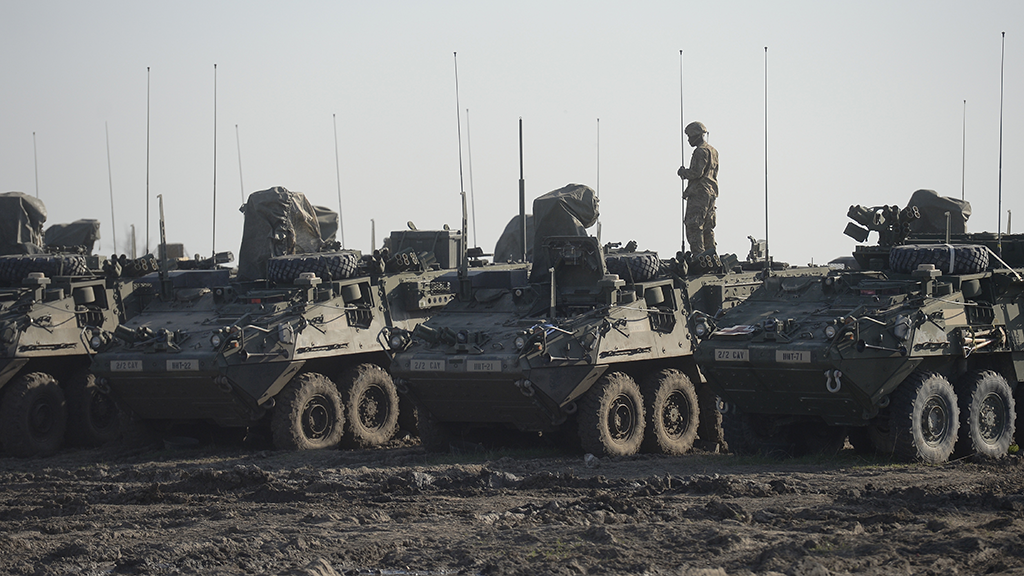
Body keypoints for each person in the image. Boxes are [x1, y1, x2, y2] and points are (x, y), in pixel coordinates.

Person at [677, 121, 719, 255]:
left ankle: (699, 257)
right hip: (711, 193)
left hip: (700, 193)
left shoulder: (700, 151)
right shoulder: (713, 151)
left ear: (696, 136)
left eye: (690, 136)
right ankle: (711, 255)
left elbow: (697, 173)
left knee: (694, 225)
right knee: (707, 227)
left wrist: (683, 172)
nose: (688, 140)